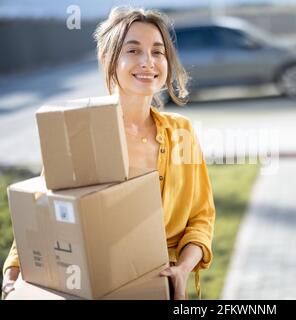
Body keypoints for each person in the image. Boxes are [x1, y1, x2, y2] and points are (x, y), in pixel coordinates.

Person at [2, 6, 215, 300]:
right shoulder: (83, 131)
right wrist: (13, 271)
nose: (148, 62)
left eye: (157, 51)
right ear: (108, 59)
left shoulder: (183, 132)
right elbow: (45, 209)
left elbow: (201, 217)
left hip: (160, 285)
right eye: (133, 50)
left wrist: (182, 270)